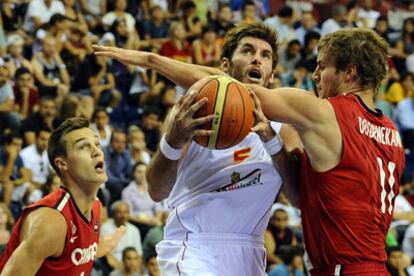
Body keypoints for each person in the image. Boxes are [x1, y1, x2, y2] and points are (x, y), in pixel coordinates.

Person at [94, 22, 300, 275]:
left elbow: (299, 199)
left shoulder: (283, 129)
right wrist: (175, 139)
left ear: (271, 75)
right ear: (224, 65)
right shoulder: (192, 111)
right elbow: (156, 191)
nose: (256, 59)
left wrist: (271, 140)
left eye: (265, 55)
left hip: (250, 254)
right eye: (247, 51)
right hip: (193, 245)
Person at [249, 28, 405, 274]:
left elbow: (240, 92)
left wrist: (163, 62)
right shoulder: (392, 133)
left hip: (342, 268)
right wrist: (276, 141)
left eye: (322, 66)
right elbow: (318, 195)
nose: (315, 75)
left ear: (349, 72)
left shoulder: (329, 113)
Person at [0, 117, 125, 275]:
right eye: (83, 147)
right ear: (62, 164)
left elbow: (74, 253)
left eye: (97, 144)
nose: (96, 151)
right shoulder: (50, 222)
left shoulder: (95, 206)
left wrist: (101, 247)